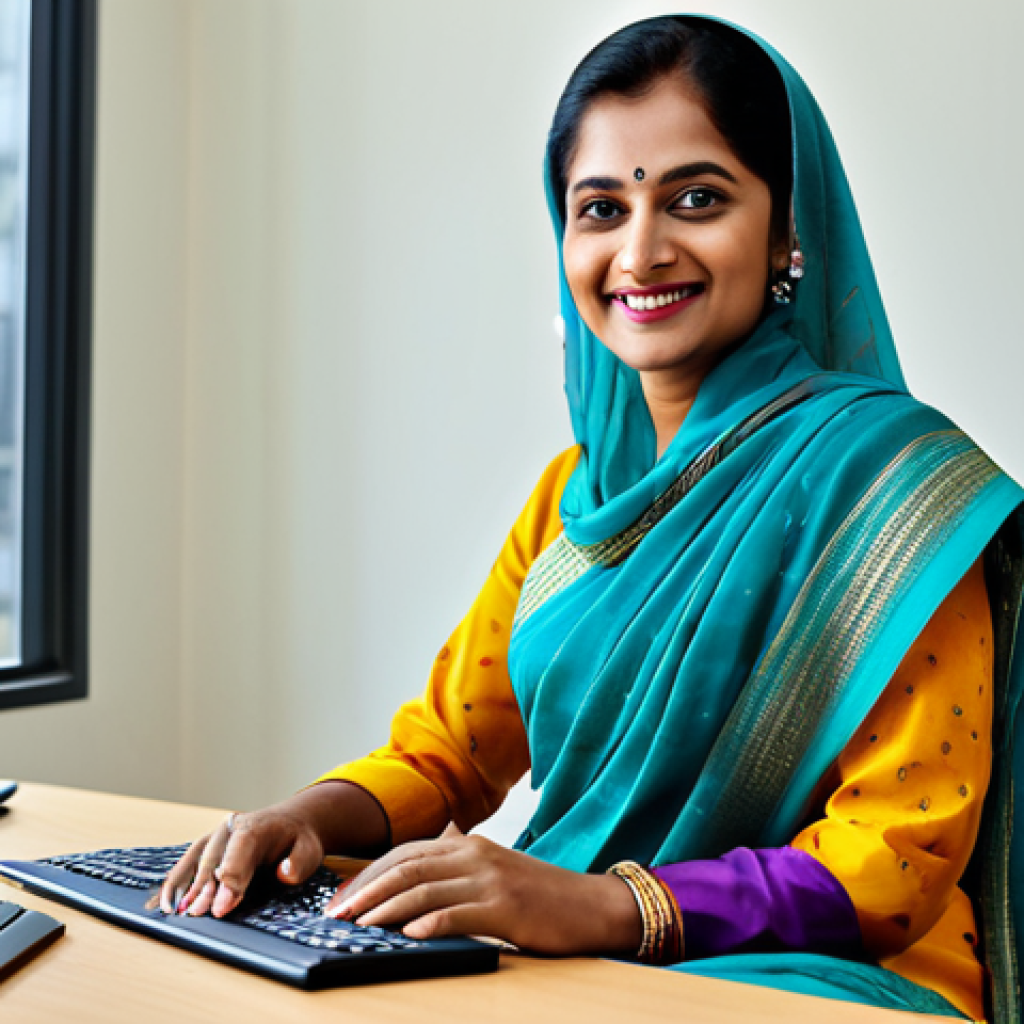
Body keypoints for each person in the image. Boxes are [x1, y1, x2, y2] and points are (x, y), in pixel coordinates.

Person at [160, 16, 1024, 1022]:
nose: (641, 251)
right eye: (600, 208)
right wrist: (294, 818)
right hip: (580, 957)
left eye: (695, 199)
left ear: (790, 227)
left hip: (834, 979)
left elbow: (894, 851)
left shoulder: (891, 487)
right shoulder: (572, 497)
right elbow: (450, 748)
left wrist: (603, 905)